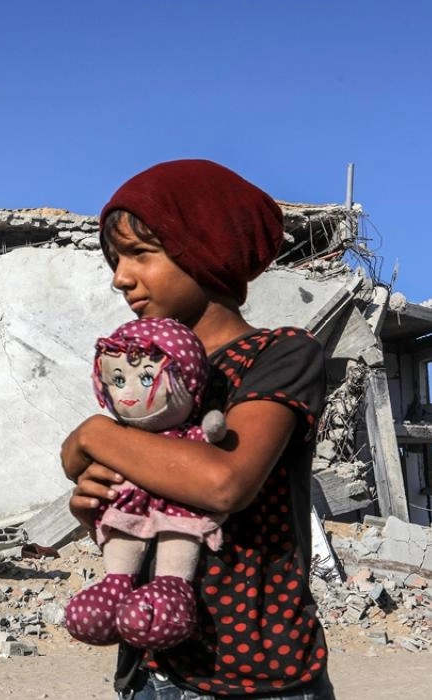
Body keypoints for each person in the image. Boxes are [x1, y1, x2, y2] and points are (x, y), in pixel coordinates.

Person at [61, 159, 334, 699]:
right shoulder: (148, 377)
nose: (121, 278)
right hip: (151, 670)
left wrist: (91, 435)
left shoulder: (280, 354)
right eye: (115, 260)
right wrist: (98, 501)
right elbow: (153, 496)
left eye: (141, 254)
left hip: (256, 678)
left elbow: (223, 482)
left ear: (205, 253)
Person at [64, 317, 227, 651]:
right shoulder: (115, 439)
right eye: (118, 379)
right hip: (129, 510)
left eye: (148, 378)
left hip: (178, 513)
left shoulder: (111, 437)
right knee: (122, 539)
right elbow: (76, 461)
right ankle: (114, 588)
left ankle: (171, 588)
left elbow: (224, 479)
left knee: (178, 539)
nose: (128, 394)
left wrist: (94, 435)